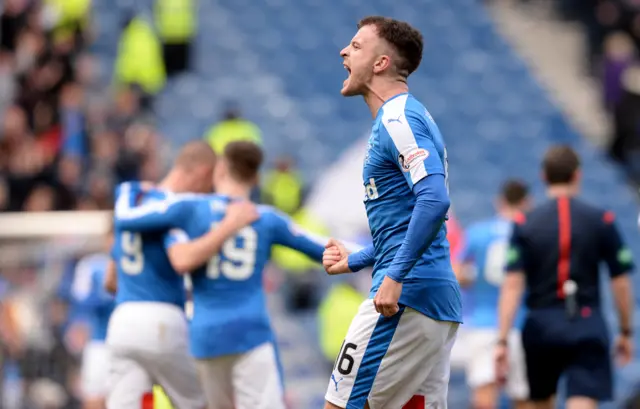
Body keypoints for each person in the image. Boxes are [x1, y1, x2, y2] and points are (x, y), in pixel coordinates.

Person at [112, 141, 361, 409]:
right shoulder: (265, 217)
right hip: (250, 331)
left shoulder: (191, 209)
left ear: (219, 170)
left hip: (205, 336)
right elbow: (325, 247)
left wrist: (129, 188)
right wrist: (383, 253)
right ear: (256, 179)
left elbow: (126, 218)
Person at [321, 16, 462, 409]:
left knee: (339, 405)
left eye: (356, 45)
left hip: (407, 297)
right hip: (433, 297)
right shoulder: (406, 119)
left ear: (381, 63)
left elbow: (434, 201)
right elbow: (414, 220)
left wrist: (395, 275)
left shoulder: (399, 119)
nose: (343, 52)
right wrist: (357, 260)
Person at [107, 141, 257, 409]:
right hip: (162, 320)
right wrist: (229, 226)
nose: (209, 191)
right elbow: (182, 259)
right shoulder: (169, 208)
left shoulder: (134, 204)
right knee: (207, 402)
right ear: (201, 173)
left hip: (121, 323)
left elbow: (111, 280)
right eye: (209, 183)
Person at [496, 145, 635, 409]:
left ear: (544, 176)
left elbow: (512, 285)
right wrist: (626, 331)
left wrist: (502, 340)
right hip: (586, 321)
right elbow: (620, 281)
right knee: (582, 399)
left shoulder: (525, 223)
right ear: (577, 175)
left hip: (540, 324)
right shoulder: (601, 219)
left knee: (541, 401)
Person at [454, 180, 531, 409]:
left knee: (484, 394)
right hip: (521, 323)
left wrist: (473, 277)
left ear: (500, 201)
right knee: (523, 396)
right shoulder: (531, 232)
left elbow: (456, 273)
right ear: (527, 202)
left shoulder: (478, 232)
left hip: (483, 322)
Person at [70, 229, 116, 409]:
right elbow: (80, 300)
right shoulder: (92, 265)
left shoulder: (138, 266)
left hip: (129, 345)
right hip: (100, 344)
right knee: (95, 399)